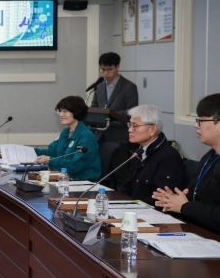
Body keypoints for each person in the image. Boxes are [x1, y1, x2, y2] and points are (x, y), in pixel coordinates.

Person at [153, 94, 220, 233]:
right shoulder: (209, 156)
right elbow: (193, 196)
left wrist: (185, 206)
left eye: (201, 120)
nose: (196, 125)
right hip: (198, 231)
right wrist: (172, 199)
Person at [106, 105, 184, 205]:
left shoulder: (168, 157)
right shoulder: (138, 151)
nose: (130, 130)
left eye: (135, 126)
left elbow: (160, 199)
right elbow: (127, 186)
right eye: (129, 125)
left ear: (152, 129)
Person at [35, 96, 101, 181]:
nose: (61, 114)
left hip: (82, 181)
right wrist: (31, 151)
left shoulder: (86, 136)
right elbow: (52, 151)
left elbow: (75, 165)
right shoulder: (65, 132)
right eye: (60, 111)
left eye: (65, 111)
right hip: (65, 178)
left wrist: (50, 160)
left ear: (76, 112)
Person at [90, 52, 139, 144]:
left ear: (117, 67)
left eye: (110, 69)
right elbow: (94, 106)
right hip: (99, 135)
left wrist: (110, 115)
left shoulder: (129, 86)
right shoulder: (99, 86)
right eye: (103, 69)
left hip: (119, 136)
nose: (106, 73)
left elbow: (132, 111)